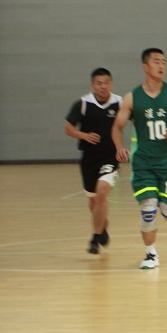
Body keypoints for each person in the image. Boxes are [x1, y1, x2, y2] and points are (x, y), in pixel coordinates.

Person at [112, 48, 167, 270]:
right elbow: (117, 127)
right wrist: (119, 147)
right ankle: (151, 254)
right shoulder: (132, 97)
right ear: (145, 67)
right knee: (148, 210)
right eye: (156, 62)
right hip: (144, 164)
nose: (161, 66)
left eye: (164, 62)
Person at [64, 68, 122, 254]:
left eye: (106, 82)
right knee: (94, 201)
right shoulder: (82, 104)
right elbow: (68, 128)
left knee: (102, 191)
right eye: (99, 82)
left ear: (111, 83)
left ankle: (95, 239)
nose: (103, 86)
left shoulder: (120, 103)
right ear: (92, 85)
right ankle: (102, 226)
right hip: (89, 158)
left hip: (110, 157)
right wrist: (84, 135)